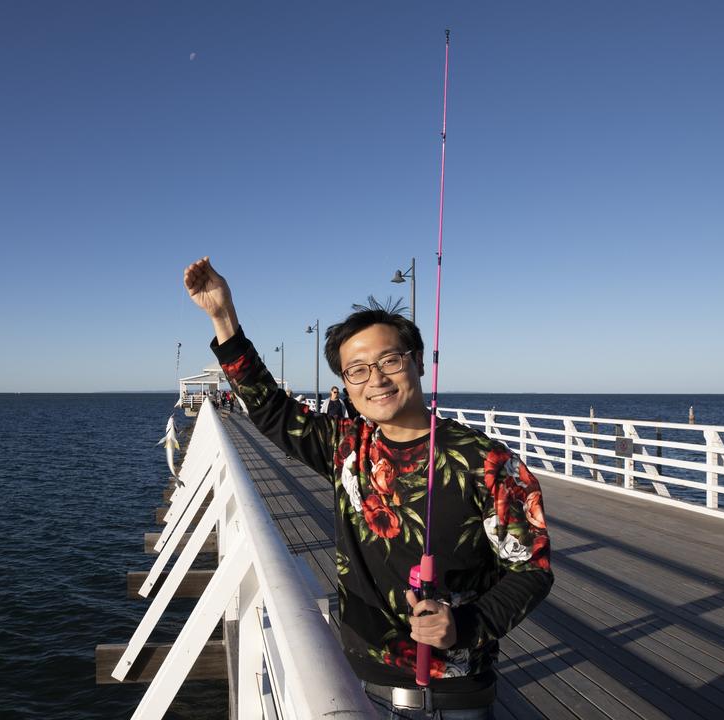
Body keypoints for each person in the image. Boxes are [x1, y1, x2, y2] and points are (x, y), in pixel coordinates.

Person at [183, 257, 552, 718]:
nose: (375, 379)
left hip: (459, 688)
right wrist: (223, 317)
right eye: (356, 370)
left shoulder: (486, 460)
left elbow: (532, 568)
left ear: (417, 361)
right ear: (345, 383)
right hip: (365, 677)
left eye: (389, 361)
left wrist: (464, 624)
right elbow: (269, 408)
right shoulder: (346, 448)